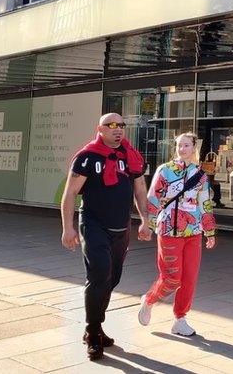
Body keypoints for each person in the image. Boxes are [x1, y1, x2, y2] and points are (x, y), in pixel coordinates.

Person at [60, 113, 152, 361]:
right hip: (93, 224)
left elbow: (140, 190)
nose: (118, 129)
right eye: (111, 125)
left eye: (121, 125)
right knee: (99, 275)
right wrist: (68, 228)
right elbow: (70, 193)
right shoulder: (87, 157)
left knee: (112, 279)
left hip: (120, 227)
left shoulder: (131, 156)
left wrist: (145, 220)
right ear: (99, 129)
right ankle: (92, 333)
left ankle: (96, 326)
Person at [138, 132, 217, 336]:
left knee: (189, 278)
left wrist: (209, 231)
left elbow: (205, 203)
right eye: (179, 146)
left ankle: (180, 318)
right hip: (169, 231)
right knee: (173, 278)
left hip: (193, 232)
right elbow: (153, 198)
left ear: (194, 148)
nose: (182, 149)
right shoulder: (165, 171)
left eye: (186, 146)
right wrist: (148, 224)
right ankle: (149, 300)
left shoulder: (200, 175)